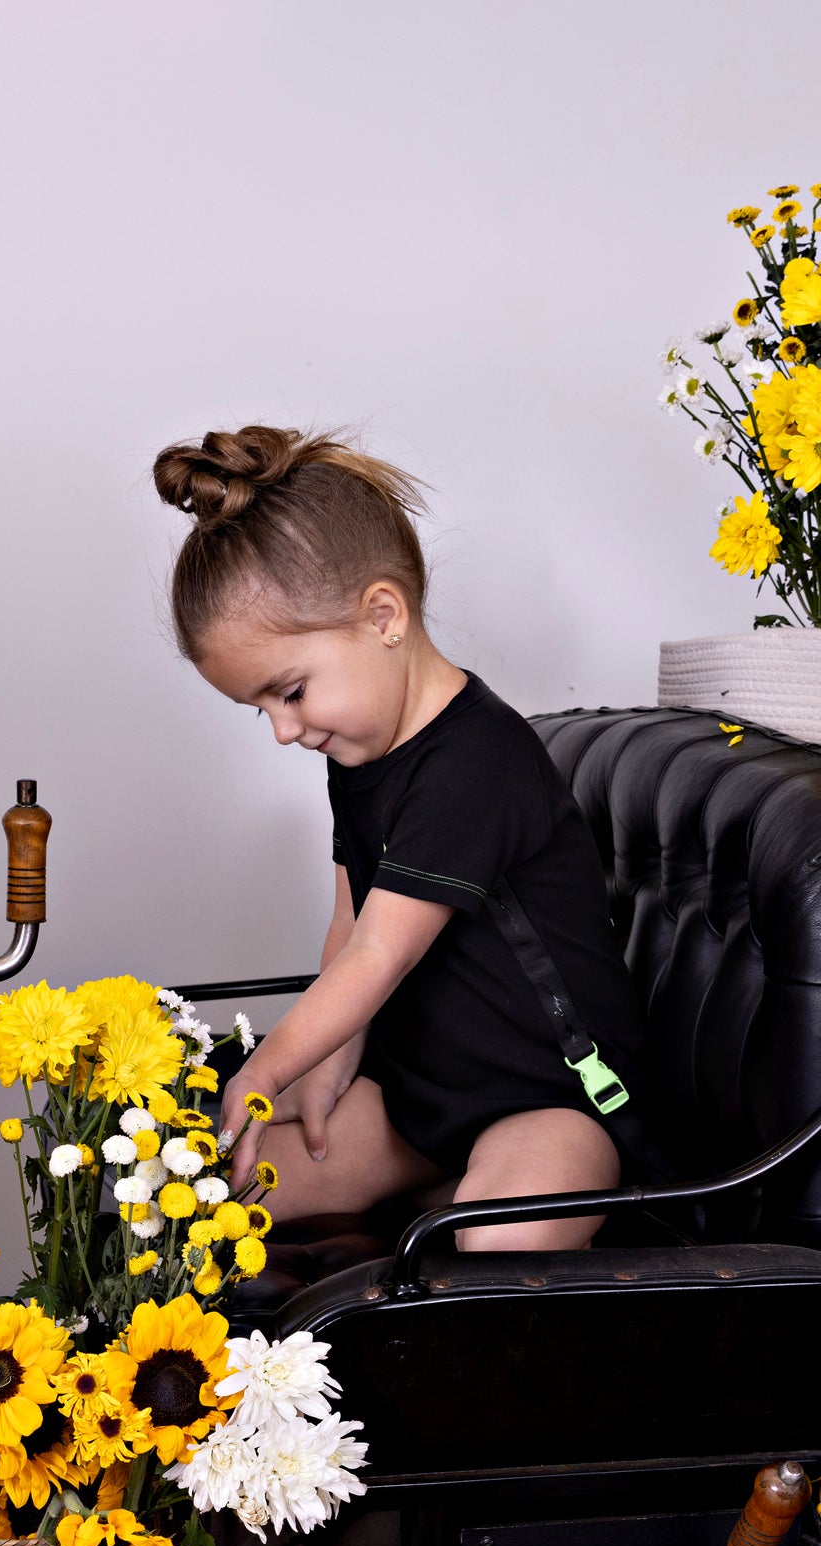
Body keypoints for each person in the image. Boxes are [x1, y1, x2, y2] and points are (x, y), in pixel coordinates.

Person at [151, 425, 650, 1251]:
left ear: (383, 614)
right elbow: (348, 922)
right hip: (427, 1091)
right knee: (210, 1199)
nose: (283, 730)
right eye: (262, 709)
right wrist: (329, 1059)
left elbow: (381, 954)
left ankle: (476, 1190)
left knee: (497, 1242)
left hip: (549, 1092)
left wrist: (268, 1068)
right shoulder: (360, 752)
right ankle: (435, 1177)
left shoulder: (476, 764)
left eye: (291, 692)